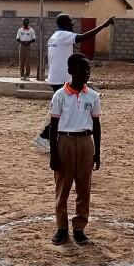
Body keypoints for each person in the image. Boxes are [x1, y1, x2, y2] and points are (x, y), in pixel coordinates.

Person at [33, 14, 114, 152]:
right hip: (62, 79)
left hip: (56, 77)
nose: (73, 24)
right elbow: (83, 38)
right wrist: (104, 25)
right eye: (71, 22)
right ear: (64, 24)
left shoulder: (54, 36)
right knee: (63, 112)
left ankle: (47, 137)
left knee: (63, 110)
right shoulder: (64, 35)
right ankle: (44, 137)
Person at [48, 53, 102, 245]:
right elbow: (53, 126)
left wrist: (97, 152)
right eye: (82, 69)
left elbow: (96, 125)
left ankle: (79, 227)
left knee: (83, 187)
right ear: (71, 71)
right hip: (65, 141)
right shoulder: (60, 95)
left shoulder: (93, 96)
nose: (87, 73)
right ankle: (61, 228)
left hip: (86, 142)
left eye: (88, 69)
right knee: (63, 187)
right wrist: (53, 154)